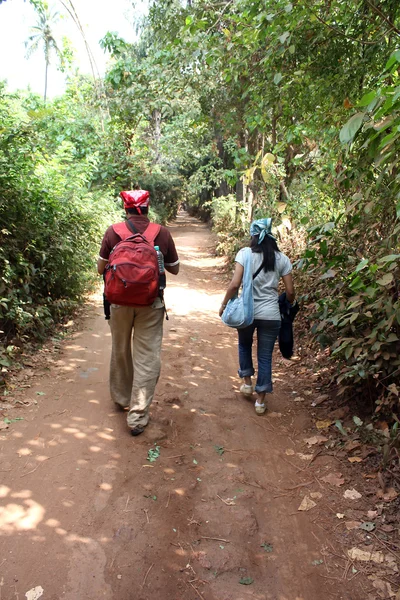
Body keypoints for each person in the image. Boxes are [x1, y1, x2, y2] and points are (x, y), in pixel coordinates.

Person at [97, 190, 179, 436]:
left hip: (118, 303)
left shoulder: (114, 231)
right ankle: (137, 416)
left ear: (126, 208)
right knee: (147, 356)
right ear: (147, 208)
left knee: (120, 349)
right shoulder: (160, 232)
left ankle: (122, 398)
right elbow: (174, 269)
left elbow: (101, 267)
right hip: (150, 303)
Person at [219, 218, 295, 415]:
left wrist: (224, 304)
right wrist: (287, 304)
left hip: (247, 312)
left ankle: (247, 383)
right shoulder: (282, 259)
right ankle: (260, 401)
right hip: (271, 314)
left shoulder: (244, 254)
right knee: (265, 356)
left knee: (244, 344)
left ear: (253, 236)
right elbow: (290, 291)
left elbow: (235, 285)